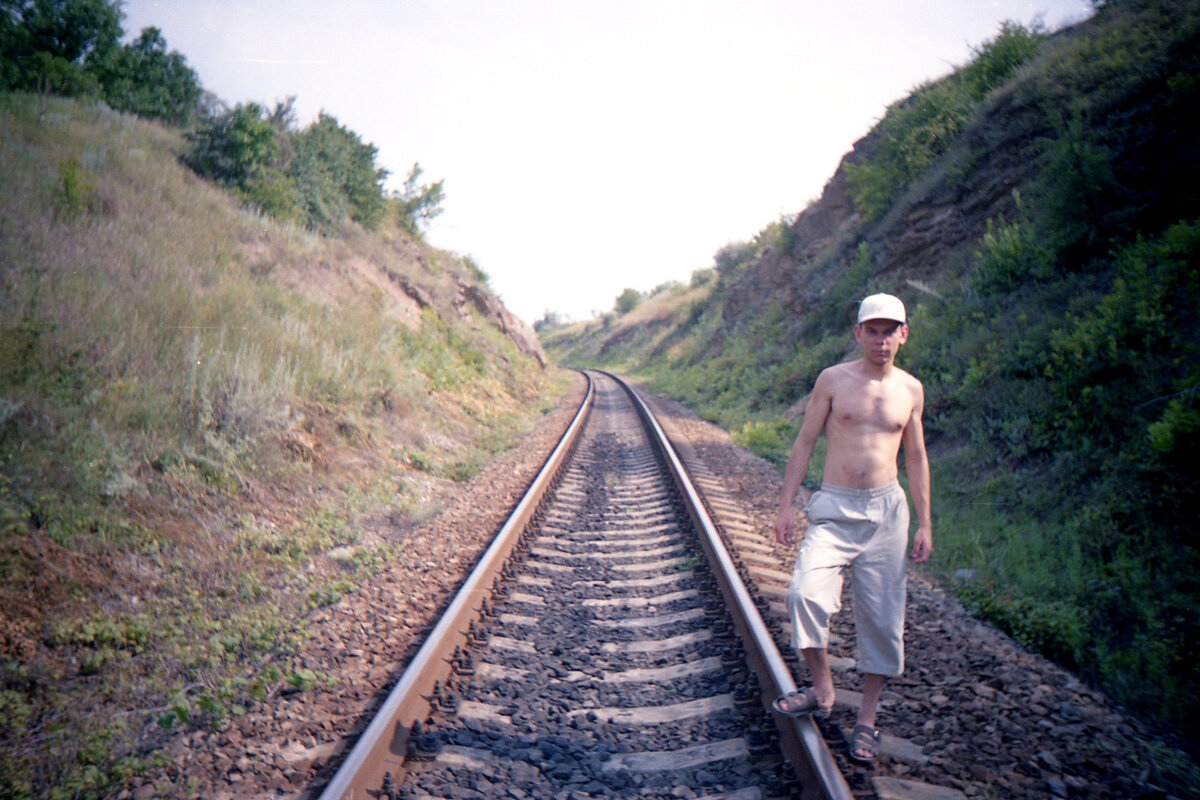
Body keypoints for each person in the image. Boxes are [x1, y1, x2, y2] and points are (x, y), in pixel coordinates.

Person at [771, 292, 932, 765]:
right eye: (873, 331)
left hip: (887, 513)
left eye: (890, 332)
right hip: (835, 507)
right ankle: (822, 688)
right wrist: (785, 505)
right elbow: (805, 442)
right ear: (858, 333)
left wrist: (925, 522)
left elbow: (916, 457)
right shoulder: (833, 380)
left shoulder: (911, 389)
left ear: (903, 335)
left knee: (883, 620)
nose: (881, 341)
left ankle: (867, 717)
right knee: (803, 594)